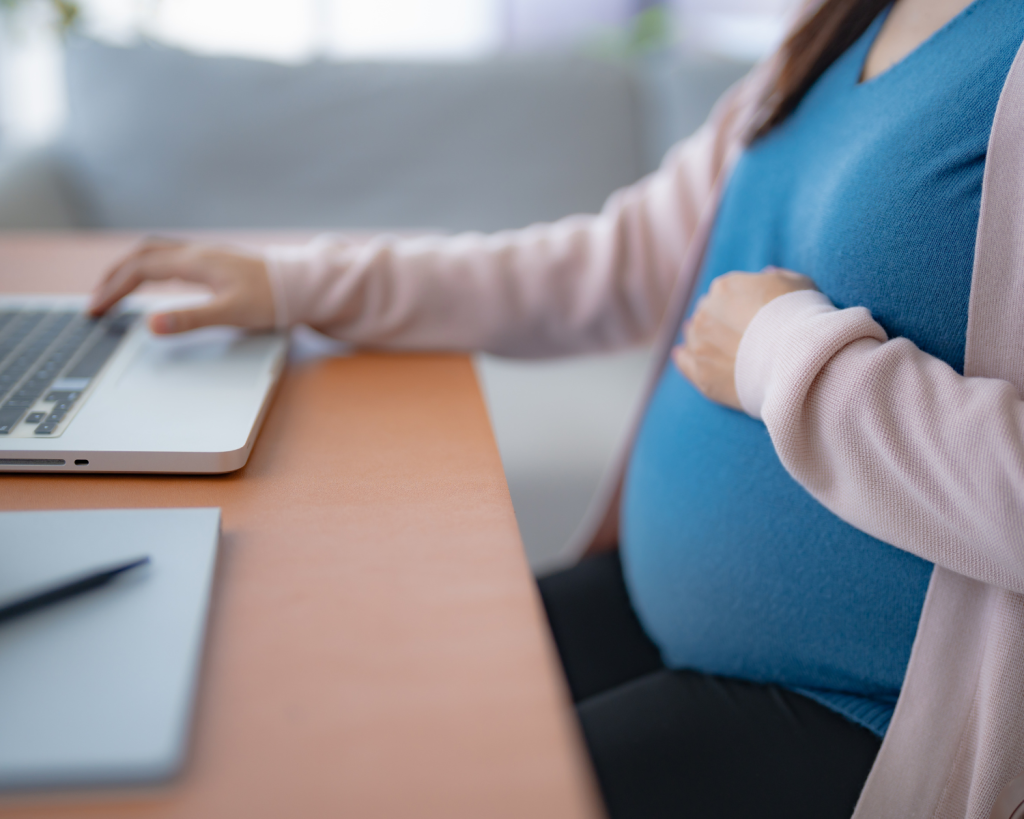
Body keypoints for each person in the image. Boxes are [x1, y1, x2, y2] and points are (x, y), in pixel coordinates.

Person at [89, 0, 1024, 816]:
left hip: (857, 711)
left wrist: (788, 359)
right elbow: (610, 264)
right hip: (650, 600)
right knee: (314, 718)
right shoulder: (834, 22)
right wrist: (299, 284)